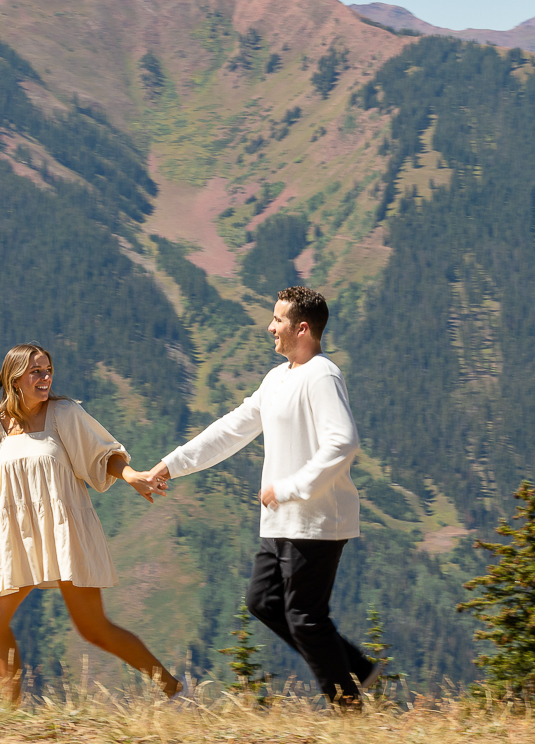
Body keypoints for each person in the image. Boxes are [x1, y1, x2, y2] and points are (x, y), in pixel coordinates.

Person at [143, 286, 377, 705]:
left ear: (302, 328)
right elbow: (231, 429)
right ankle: (357, 671)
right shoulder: (278, 378)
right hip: (282, 519)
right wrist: (171, 464)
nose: (270, 327)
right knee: (264, 601)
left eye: (278, 320)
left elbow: (343, 442)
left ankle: (348, 705)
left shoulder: (322, 375)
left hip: (317, 519)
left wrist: (289, 488)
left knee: (305, 617)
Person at [0, 342, 181, 702]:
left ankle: (172, 688)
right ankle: (10, 715)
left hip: (65, 532)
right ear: (15, 378)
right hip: (18, 534)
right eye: (36, 371)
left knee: (94, 629)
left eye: (48, 370)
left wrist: (131, 476)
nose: (45, 378)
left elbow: (102, 455)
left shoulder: (64, 413)